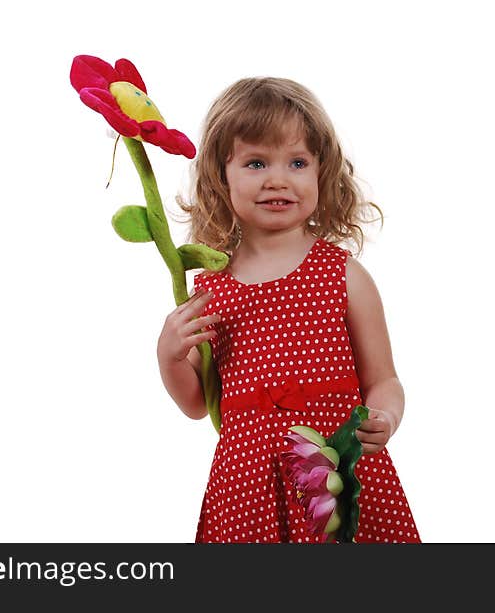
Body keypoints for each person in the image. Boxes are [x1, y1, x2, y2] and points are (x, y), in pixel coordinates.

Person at [157, 77, 420, 543]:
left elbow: (383, 379)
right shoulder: (210, 288)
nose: (278, 179)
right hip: (247, 485)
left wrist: (385, 417)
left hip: (335, 472)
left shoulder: (343, 275)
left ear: (322, 172)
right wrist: (170, 356)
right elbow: (197, 404)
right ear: (223, 175)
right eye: (256, 162)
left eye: (297, 162)